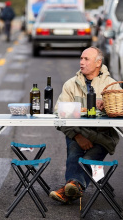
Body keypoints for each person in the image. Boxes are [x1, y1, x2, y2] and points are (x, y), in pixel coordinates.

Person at [50, 46, 121, 204]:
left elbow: (120, 111)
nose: (81, 62)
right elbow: (58, 113)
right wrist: (78, 135)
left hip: (103, 137)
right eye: (81, 58)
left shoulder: (111, 86)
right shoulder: (70, 85)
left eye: (86, 59)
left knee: (87, 158)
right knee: (76, 151)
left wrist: (106, 104)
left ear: (98, 63)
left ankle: (70, 188)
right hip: (78, 133)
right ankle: (73, 188)